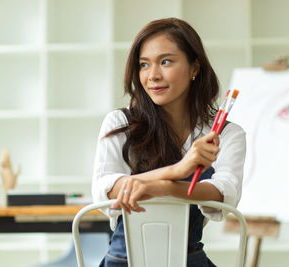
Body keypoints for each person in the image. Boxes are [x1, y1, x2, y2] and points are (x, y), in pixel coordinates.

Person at [91, 17, 246, 267]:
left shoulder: (227, 133)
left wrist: (161, 188)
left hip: (187, 260)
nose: (152, 75)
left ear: (194, 68)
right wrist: (177, 171)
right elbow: (107, 189)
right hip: (125, 261)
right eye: (144, 65)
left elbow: (222, 194)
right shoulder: (120, 122)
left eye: (165, 62)